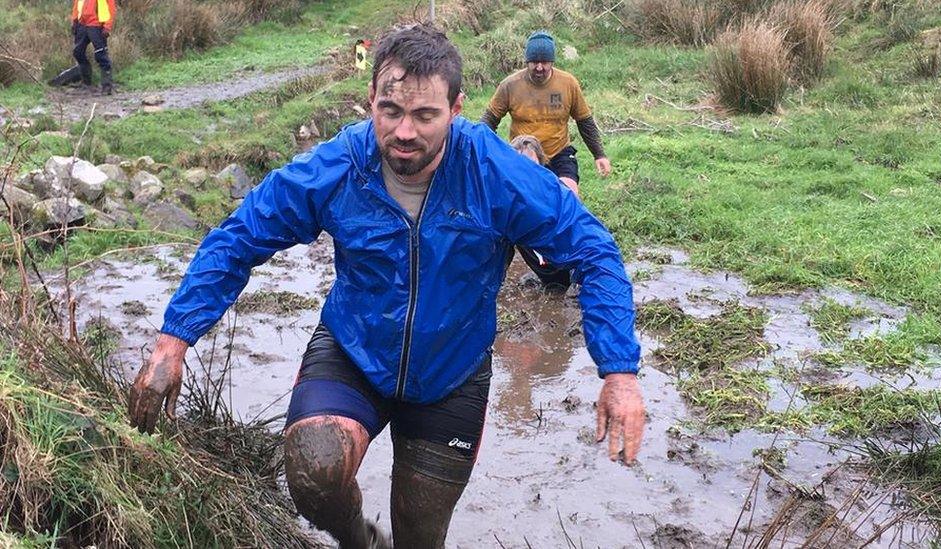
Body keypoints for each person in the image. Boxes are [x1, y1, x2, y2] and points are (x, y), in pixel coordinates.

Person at [127, 24, 644, 549]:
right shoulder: (339, 165)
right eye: (391, 111)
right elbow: (241, 235)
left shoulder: (493, 169)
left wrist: (618, 371)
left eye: (425, 115)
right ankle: (360, 540)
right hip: (354, 348)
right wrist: (175, 338)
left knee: (420, 539)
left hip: (452, 370)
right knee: (313, 471)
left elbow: (592, 247)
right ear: (370, 99)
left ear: (456, 108)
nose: (404, 132)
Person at [481, 30, 611, 197]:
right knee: (528, 201)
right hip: (524, 154)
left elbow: (584, 120)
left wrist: (599, 154)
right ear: (527, 61)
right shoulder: (510, 85)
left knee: (568, 196)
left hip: (559, 152)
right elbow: (489, 120)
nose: (539, 67)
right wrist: (483, 150)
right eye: (534, 62)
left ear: (552, 62)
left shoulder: (568, 83)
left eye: (544, 62)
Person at [509, 134, 572, 291]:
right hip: (539, 258)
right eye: (519, 165)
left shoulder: (555, 188)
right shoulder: (508, 192)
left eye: (531, 164)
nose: (525, 171)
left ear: (541, 163)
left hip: (563, 255)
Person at [71, 0, 116, 95]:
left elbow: (111, 8)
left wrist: (107, 27)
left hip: (97, 25)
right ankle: (86, 83)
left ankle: (107, 86)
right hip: (82, 24)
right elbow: (77, 4)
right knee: (78, 52)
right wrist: (75, 20)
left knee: (101, 55)